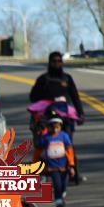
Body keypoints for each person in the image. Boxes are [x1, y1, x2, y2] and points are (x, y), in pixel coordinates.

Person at [29, 51, 85, 182]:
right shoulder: (43, 79)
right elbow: (33, 97)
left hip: (66, 117)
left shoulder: (67, 78)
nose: (57, 63)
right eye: (54, 61)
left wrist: (80, 113)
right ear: (49, 63)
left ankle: (73, 173)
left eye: (59, 61)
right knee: (44, 144)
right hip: (47, 117)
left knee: (68, 144)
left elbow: (75, 97)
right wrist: (47, 100)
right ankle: (42, 173)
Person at [33, 116, 75, 207]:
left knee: (63, 185)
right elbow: (38, 151)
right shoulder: (45, 138)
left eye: (57, 127)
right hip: (52, 167)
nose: (55, 130)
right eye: (53, 127)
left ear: (60, 127)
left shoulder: (64, 136)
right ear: (49, 127)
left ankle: (62, 197)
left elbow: (69, 151)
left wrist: (71, 165)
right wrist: (34, 163)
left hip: (64, 166)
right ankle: (58, 205)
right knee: (57, 185)